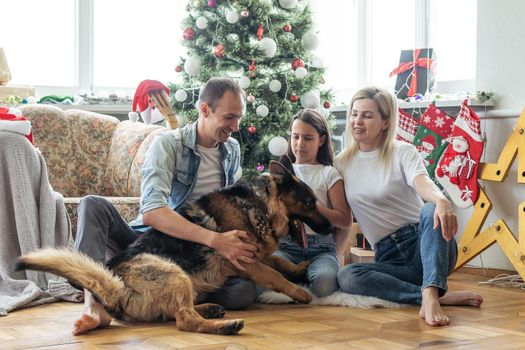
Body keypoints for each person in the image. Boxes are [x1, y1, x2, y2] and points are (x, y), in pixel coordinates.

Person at [72, 77, 258, 335]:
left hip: (194, 258)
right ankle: (93, 305)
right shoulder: (168, 145)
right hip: (148, 242)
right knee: (92, 204)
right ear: (205, 110)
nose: (235, 126)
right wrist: (215, 240)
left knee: (243, 293)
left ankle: (179, 303)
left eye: (239, 117)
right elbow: (152, 212)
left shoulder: (232, 149)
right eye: (229, 117)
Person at [335, 86, 483, 326]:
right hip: (389, 258)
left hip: (426, 245)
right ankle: (431, 295)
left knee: (429, 209)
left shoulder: (403, 152)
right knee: (348, 276)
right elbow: (342, 217)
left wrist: (441, 200)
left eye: (367, 115)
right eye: (354, 114)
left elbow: (422, 183)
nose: (357, 121)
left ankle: (431, 290)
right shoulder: (341, 163)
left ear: (385, 122)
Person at [273, 109, 352, 297]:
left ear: (321, 140)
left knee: (324, 286)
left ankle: (306, 276)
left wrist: (309, 205)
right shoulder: (283, 172)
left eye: (308, 138)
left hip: (321, 249)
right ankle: (296, 277)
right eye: (295, 137)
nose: (300, 144)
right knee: (265, 281)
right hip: (286, 247)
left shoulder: (328, 173)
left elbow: (344, 220)